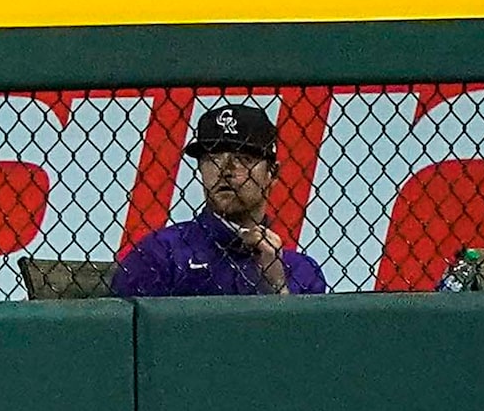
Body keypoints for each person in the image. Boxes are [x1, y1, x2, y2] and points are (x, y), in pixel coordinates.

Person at [111, 101, 329, 297]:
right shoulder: (160, 254)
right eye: (213, 158)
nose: (225, 170)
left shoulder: (302, 272)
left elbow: (305, 341)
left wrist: (277, 288)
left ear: (273, 172)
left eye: (244, 158)